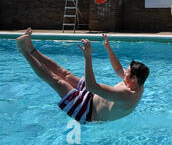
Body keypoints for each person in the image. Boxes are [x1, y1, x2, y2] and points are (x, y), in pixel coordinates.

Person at [16, 28, 149, 124]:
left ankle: (24, 52)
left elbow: (92, 86)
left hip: (87, 111)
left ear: (134, 78)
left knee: (57, 81)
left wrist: (88, 56)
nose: (124, 72)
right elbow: (118, 68)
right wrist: (108, 48)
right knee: (65, 74)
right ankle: (31, 49)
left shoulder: (127, 95)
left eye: (128, 72)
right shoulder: (137, 82)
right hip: (92, 96)